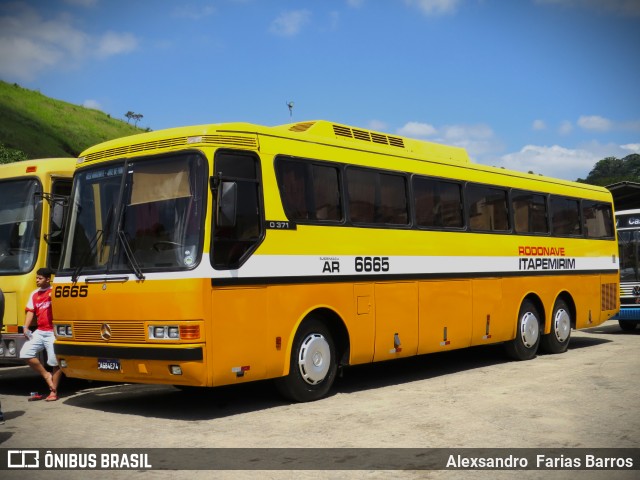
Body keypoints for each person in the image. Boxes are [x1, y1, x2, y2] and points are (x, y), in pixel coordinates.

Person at [20, 267, 62, 401]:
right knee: (25, 353)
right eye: (36, 278)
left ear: (48, 279)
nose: (37, 280)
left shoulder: (55, 291)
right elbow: (30, 311)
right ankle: (46, 375)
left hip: (52, 332)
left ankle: (53, 391)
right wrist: (25, 327)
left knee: (55, 362)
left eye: (40, 278)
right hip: (40, 331)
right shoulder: (34, 294)